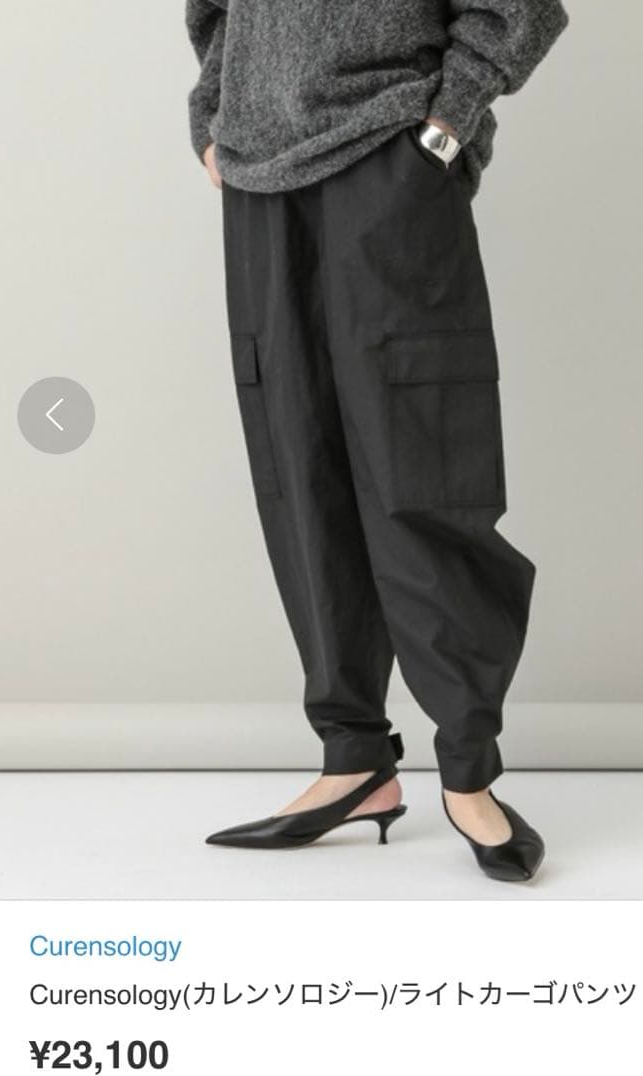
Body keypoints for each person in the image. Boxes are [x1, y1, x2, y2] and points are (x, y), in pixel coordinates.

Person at [186, 0, 569, 882]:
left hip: (388, 159)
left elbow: (520, 9)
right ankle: (354, 758)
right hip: (257, 177)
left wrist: (445, 126)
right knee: (297, 463)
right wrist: (212, 117)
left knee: (421, 465)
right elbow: (214, 14)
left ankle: (468, 769)